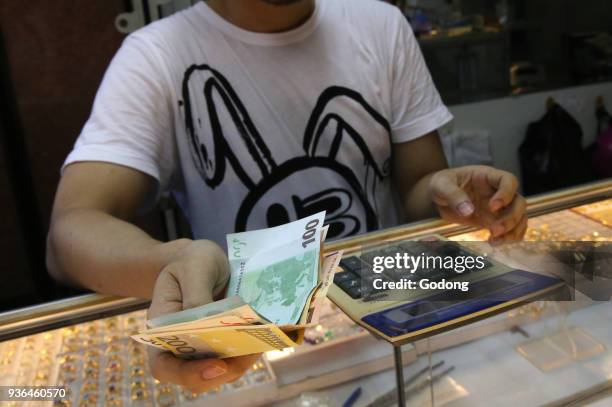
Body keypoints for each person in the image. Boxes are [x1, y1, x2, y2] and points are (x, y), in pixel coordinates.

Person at [46, 0, 527, 394]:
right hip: (251, 352)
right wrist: (171, 261)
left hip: (391, 323)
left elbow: (419, 184)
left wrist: (454, 197)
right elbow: (72, 228)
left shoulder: (379, 25)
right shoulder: (156, 55)